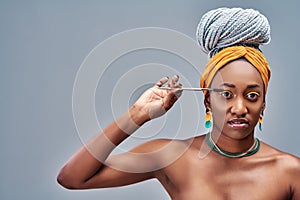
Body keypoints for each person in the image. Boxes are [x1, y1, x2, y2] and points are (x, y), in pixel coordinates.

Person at [57, 7, 300, 199]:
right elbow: (74, 178)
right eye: (226, 94)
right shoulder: (172, 156)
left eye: (252, 96)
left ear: (264, 104)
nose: (239, 108)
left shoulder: (290, 172)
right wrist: (137, 115)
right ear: (207, 100)